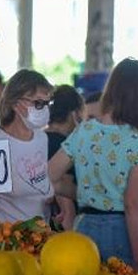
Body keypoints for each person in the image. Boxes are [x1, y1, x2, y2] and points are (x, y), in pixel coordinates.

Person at [49, 58, 138, 274]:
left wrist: (87, 193)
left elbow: (49, 175)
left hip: (85, 227)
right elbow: (133, 204)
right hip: (125, 234)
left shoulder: (84, 130)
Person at [0, 70, 54, 223]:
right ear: (15, 103)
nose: (44, 109)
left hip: (42, 236)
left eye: (47, 103)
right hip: (10, 239)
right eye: (37, 103)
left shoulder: (42, 137)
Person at [46, 85, 85, 230]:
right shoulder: (62, 146)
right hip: (61, 229)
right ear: (74, 114)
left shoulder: (41, 139)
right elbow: (66, 206)